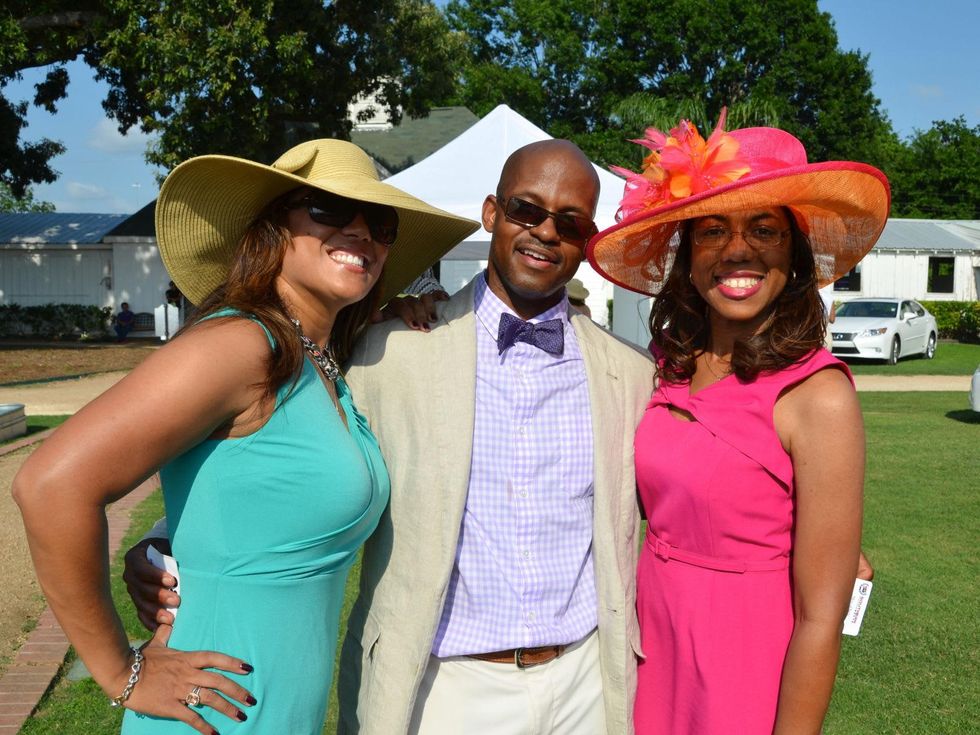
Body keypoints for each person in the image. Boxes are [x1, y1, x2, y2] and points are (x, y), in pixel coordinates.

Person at [125, 139, 656, 734]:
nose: (546, 232)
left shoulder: (631, 374)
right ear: (492, 214)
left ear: (588, 239)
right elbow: (274, 456)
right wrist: (163, 542)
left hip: (586, 685)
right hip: (442, 690)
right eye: (526, 211)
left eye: (571, 222)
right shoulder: (385, 351)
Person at [13, 138, 476, 734]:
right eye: (329, 210)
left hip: (275, 710)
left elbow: (243, 491)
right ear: (273, 231)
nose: (360, 232)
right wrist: (120, 671)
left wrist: (409, 307)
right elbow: (51, 484)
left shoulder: (318, 360)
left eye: (380, 223)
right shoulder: (241, 346)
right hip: (212, 712)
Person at [587, 114, 890, 734]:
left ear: (794, 255)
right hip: (647, 652)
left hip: (745, 671)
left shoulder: (818, 395)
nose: (737, 250)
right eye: (713, 230)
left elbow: (820, 616)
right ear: (689, 255)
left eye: (764, 229)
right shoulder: (666, 371)